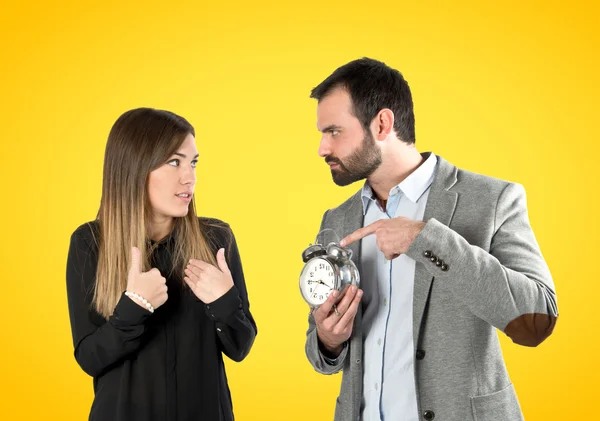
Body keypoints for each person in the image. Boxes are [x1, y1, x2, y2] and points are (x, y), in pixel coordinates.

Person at [304, 58, 558, 421]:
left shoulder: (492, 200)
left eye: (334, 131)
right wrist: (328, 341)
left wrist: (426, 239)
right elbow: (320, 352)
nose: (322, 148)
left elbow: (537, 321)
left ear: (382, 124)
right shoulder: (337, 220)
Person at [66, 107, 256, 421]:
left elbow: (240, 346)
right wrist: (134, 307)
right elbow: (90, 358)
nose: (190, 177)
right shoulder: (89, 243)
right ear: (135, 168)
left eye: (193, 162)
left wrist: (225, 303)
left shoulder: (217, 239)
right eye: (174, 162)